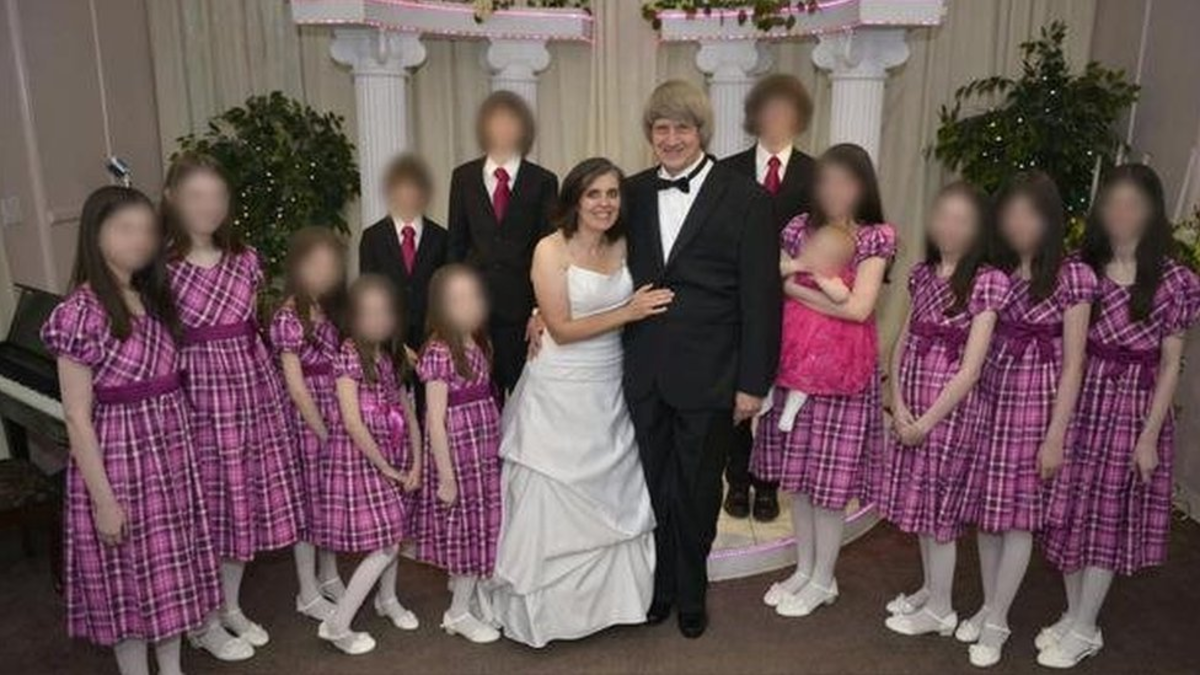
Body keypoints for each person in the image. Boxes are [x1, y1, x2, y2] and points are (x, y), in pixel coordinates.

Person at [622, 80, 780, 638]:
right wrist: (544, 312)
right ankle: (661, 586)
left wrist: (753, 383)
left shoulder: (747, 199)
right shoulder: (631, 192)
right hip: (644, 369)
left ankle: (691, 592)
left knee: (696, 488)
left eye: (682, 128)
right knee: (654, 485)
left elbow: (761, 299)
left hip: (713, 374)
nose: (670, 139)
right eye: (660, 128)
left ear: (701, 132)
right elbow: (589, 256)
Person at [43, 186, 221, 675]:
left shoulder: (152, 297)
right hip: (122, 462)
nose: (139, 239)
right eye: (124, 229)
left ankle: (172, 668)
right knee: (129, 583)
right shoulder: (79, 313)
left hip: (170, 457)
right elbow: (77, 417)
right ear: (94, 234)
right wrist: (104, 501)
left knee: (170, 575)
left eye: (146, 229)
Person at [490, 158, 666, 647]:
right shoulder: (550, 248)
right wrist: (627, 311)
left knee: (612, 489)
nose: (604, 203)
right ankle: (546, 613)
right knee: (551, 489)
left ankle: (615, 604)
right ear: (574, 199)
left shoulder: (626, 243)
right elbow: (563, 330)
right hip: (559, 384)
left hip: (610, 381)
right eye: (593, 194)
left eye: (612, 193)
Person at [1039, 164, 1200, 669]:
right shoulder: (1079, 270)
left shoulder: (1175, 281)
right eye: (1113, 202)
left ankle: (1087, 627)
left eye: (1134, 203)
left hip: (1133, 411)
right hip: (1083, 402)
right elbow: (1069, 354)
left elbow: (1171, 366)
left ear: (1152, 211)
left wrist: (1149, 437)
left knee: (1106, 521)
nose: (1122, 213)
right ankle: (1074, 614)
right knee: (1070, 514)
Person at [162, 153, 304, 661]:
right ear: (172, 198)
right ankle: (201, 622)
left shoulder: (246, 259)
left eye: (217, 196)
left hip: (250, 390)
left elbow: (256, 324)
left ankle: (229, 604)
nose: (208, 206)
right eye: (196, 196)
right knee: (206, 510)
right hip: (197, 397)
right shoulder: (160, 268)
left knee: (241, 504)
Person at [957, 171, 1096, 668]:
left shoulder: (1072, 276)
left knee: (1017, 518)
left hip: (1036, 405)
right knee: (988, 512)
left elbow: (1075, 362)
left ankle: (997, 620)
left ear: (1050, 218)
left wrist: (1056, 435)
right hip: (991, 398)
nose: (1020, 223)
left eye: (1031, 214)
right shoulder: (993, 272)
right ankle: (989, 605)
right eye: (1011, 213)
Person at [753, 144, 895, 619]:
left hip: (843, 377)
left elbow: (859, 308)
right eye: (828, 181)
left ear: (863, 186)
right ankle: (805, 569)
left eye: (846, 182)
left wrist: (802, 288)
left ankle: (823, 578)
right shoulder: (799, 227)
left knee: (829, 489)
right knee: (800, 483)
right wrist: (811, 288)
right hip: (796, 368)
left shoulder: (875, 237)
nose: (836, 191)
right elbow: (776, 282)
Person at [878, 183, 1007, 640]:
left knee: (940, 515)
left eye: (961, 219)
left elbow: (971, 369)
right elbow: (903, 339)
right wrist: (898, 403)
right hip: (912, 408)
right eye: (943, 216)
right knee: (920, 506)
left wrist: (927, 422)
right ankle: (931, 589)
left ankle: (942, 609)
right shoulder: (922, 274)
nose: (949, 227)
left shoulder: (988, 281)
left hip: (950, 417)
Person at [719, 73, 817, 521]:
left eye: (786, 110)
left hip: (797, 302)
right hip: (736, 302)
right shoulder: (727, 170)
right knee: (737, 389)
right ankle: (737, 479)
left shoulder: (816, 173)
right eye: (768, 109)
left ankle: (768, 484)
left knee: (781, 395)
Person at [318, 275, 423, 655]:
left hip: (394, 453)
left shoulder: (391, 356)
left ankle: (387, 599)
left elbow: (408, 411)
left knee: (394, 534)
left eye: (384, 312)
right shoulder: (349, 354)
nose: (377, 320)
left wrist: (417, 461)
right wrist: (385, 468)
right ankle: (338, 624)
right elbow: (351, 420)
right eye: (369, 312)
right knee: (386, 543)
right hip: (361, 460)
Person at [447, 91, 559, 394]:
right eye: (496, 121)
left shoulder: (543, 181)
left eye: (511, 122)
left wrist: (539, 310)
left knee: (524, 394)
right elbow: (456, 245)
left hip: (522, 311)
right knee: (478, 394)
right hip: (474, 309)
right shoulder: (463, 177)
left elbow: (549, 252)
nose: (503, 129)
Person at [415, 265, 505, 644]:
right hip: (458, 456)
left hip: (483, 452)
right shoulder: (439, 351)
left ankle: (474, 600)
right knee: (466, 532)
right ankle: (458, 612)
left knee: (484, 527)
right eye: (457, 300)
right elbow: (435, 421)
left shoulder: (480, 342)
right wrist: (447, 476)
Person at [269, 228, 350, 622]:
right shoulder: (289, 317)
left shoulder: (327, 309)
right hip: (306, 422)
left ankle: (329, 575)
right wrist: (324, 433)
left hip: (333, 408)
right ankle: (306, 589)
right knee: (306, 504)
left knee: (327, 500)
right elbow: (297, 389)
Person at [768, 223, 877, 432]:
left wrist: (821, 278)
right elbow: (775, 271)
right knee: (775, 358)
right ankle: (766, 396)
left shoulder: (833, 277)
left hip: (818, 334)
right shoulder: (799, 265)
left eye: (826, 255)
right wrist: (796, 265)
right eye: (815, 248)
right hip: (792, 326)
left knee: (806, 373)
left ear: (837, 263)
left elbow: (841, 296)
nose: (817, 256)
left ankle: (790, 411)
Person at [359, 153, 447, 353]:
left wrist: (436, 338)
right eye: (400, 188)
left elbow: (445, 295)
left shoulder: (441, 237)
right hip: (387, 342)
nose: (407, 195)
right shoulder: (373, 238)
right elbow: (369, 293)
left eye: (413, 188)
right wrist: (394, 344)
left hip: (432, 342)